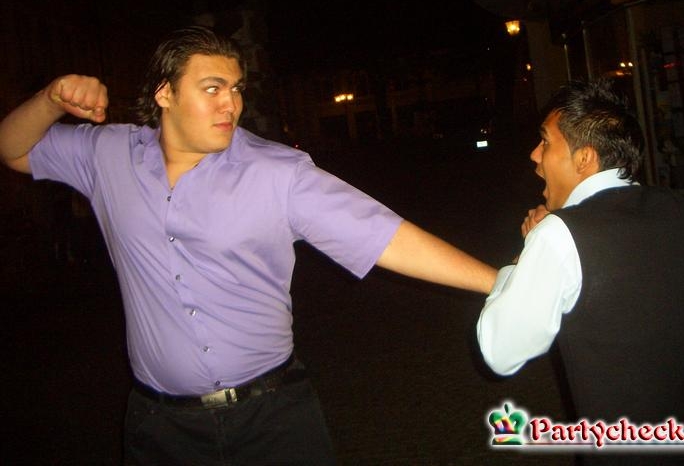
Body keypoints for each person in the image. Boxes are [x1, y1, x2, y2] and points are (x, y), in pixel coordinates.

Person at [0, 25, 497, 465]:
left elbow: (382, 235)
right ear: (165, 93)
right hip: (162, 426)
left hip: (273, 416)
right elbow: (12, 148)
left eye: (236, 88)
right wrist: (51, 100)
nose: (231, 104)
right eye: (212, 88)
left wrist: (502, 282)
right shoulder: (106, 154)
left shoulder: (276, 172)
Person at [477, 79, 684, 463]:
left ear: (584, 158)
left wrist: (523, 260)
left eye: (545, 142)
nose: (534, 155)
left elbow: (500, 351)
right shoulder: (677, 207)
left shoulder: (558, 235)